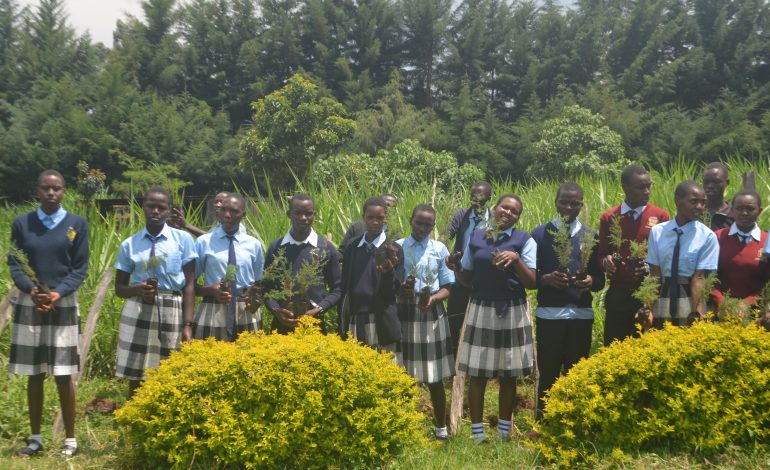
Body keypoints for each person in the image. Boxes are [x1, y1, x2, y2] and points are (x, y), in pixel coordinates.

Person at [9, 170, 89, 457]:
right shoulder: (22, 224)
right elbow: (15, 263)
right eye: (46, 188)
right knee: (34, 373)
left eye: (57, 188)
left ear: (64, 191)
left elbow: (79, 267)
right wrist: (31, 289)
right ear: (37, 191)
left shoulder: (76, 223)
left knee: (64, 373)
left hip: (63, 302)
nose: (52, 193)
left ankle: (70, 439)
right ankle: (35, 438)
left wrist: (58, 292)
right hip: (32, 302)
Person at [447, 194, 536, 443]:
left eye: (514, 211)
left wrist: (516, 260)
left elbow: (532, 282)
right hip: (480, 306)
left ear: (518, 217)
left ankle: (504, 432)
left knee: (509, 373)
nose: (508, 213)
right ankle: (477, 434)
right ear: (495, 209)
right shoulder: (477, 236)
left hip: (513, 308)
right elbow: (466, 280)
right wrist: (456, 268)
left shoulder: (524, 240)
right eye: (504, 207)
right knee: (478, 372)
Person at [530, 182, 604, 420]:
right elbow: (531, 277)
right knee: (548, 372)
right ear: (555, 202)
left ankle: (573, 422)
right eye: (564, 201)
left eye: (575, 203)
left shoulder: (591, 236)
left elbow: (601, 280)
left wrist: (590, 280)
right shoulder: (540, 234)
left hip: (581, 315)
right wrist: (547, 279)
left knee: (577, 372)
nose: (569, 207)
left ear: (582, 205)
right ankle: (543, 421)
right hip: (549, 315)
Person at [114, 187, 197, 398]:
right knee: (137, 370)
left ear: (169, 210)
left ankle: (166, 419)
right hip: (138, 306)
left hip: (172, 306)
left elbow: (189, 285)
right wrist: (138, 289)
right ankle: (135, 417)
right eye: (151, 206)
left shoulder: (183, 240)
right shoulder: (129, 244)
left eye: (162, 207)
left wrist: (188, 324)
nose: (156, 211)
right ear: (143, 207)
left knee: (171, 368)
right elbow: (120, 288)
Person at [396, 204, 455, 441]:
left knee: (434, 374)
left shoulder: (439, 248)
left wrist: (432, 298)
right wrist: (405, 291)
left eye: (428, 224)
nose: (423, 228)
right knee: (403, 373)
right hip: (404, 312)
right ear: (411, 220)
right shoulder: (398, 247)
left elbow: (448, 286)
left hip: (431, 314)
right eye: (419, 222)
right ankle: (405, 425)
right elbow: (391, 280)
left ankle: (441, 426)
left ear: (433, 226)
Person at [598, 164, 670, 345]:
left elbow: (665, 257)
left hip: (647, 295)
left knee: (646, 347)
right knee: (614, 348)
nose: (647, 191)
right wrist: (605, 261)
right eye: (641, 187)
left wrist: (647, 267)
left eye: (649, 186)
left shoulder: (660, 216)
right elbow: (602, 253)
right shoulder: (610, 217)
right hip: (618, 295)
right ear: (625, 187)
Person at [264, 194, 342, 334]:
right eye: (298, 213)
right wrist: (276, 310)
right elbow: (266, 288)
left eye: (308, 213)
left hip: (315, 325)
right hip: (281, 325)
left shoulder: (325, 248)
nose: (303, 218)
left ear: (314, 215)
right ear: (289, 214)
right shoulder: (276, 248)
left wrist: (319, 309)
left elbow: (338, 288)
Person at [647, 181, 719, 327]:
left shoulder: (707, 236)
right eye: (693, 201)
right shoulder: (658, 232)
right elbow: (654, 275)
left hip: (690, 295)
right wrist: (648, 308)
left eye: (702, 202)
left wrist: (697, 313)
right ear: (678, 200)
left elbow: (699, 278)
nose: (699, 207)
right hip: (664, 293)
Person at [193, 193, 264, 340]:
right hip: (213, 308)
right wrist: (210, 290)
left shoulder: (253, 244)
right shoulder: (203, 243)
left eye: (234, 211)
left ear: (243, 215)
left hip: (245, 309)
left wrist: (254, 293)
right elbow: (188, 285)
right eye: (223, 210)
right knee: (210, 357)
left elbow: (259, 282)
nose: (227, 215)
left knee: (249, 357)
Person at [339, 197, 403, 353]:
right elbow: (345, 284)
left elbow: (393, 290)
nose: (375, 222)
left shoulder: (394, 249)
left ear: (385, 218)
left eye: (380, 218)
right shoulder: (352, 247)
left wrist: (388, 271)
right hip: (356, 316)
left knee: (384, 368)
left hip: (382, 317)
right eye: (370, 217)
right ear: (363, 218)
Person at [445, 181, 493, 355]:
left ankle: (476, 360)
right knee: (454, 320)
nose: (476, 199)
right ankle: (452, 362)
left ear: (489, 198)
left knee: (481, 323)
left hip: (483, 279)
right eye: (473, 195)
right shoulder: (462, 215)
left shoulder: (494, 219)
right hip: (460, 275)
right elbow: (447, 234)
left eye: (480, 196)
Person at [713, 190, 769, 312]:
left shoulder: (767, 241)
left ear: (759, 211)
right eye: (739, 208)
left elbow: (768, 282)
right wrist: (722, 302)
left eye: (750, 209)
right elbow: (707, 276)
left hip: (758, 313)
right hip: (720, 310)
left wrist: (748, 303)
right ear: (732, 211)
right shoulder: (717, 238)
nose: (744, 213)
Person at [702, 162, 734, 231]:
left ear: (727, 183)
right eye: (706, 182)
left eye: (716, 182)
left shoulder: (734, 214)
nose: (710, 186)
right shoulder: (696, 212)